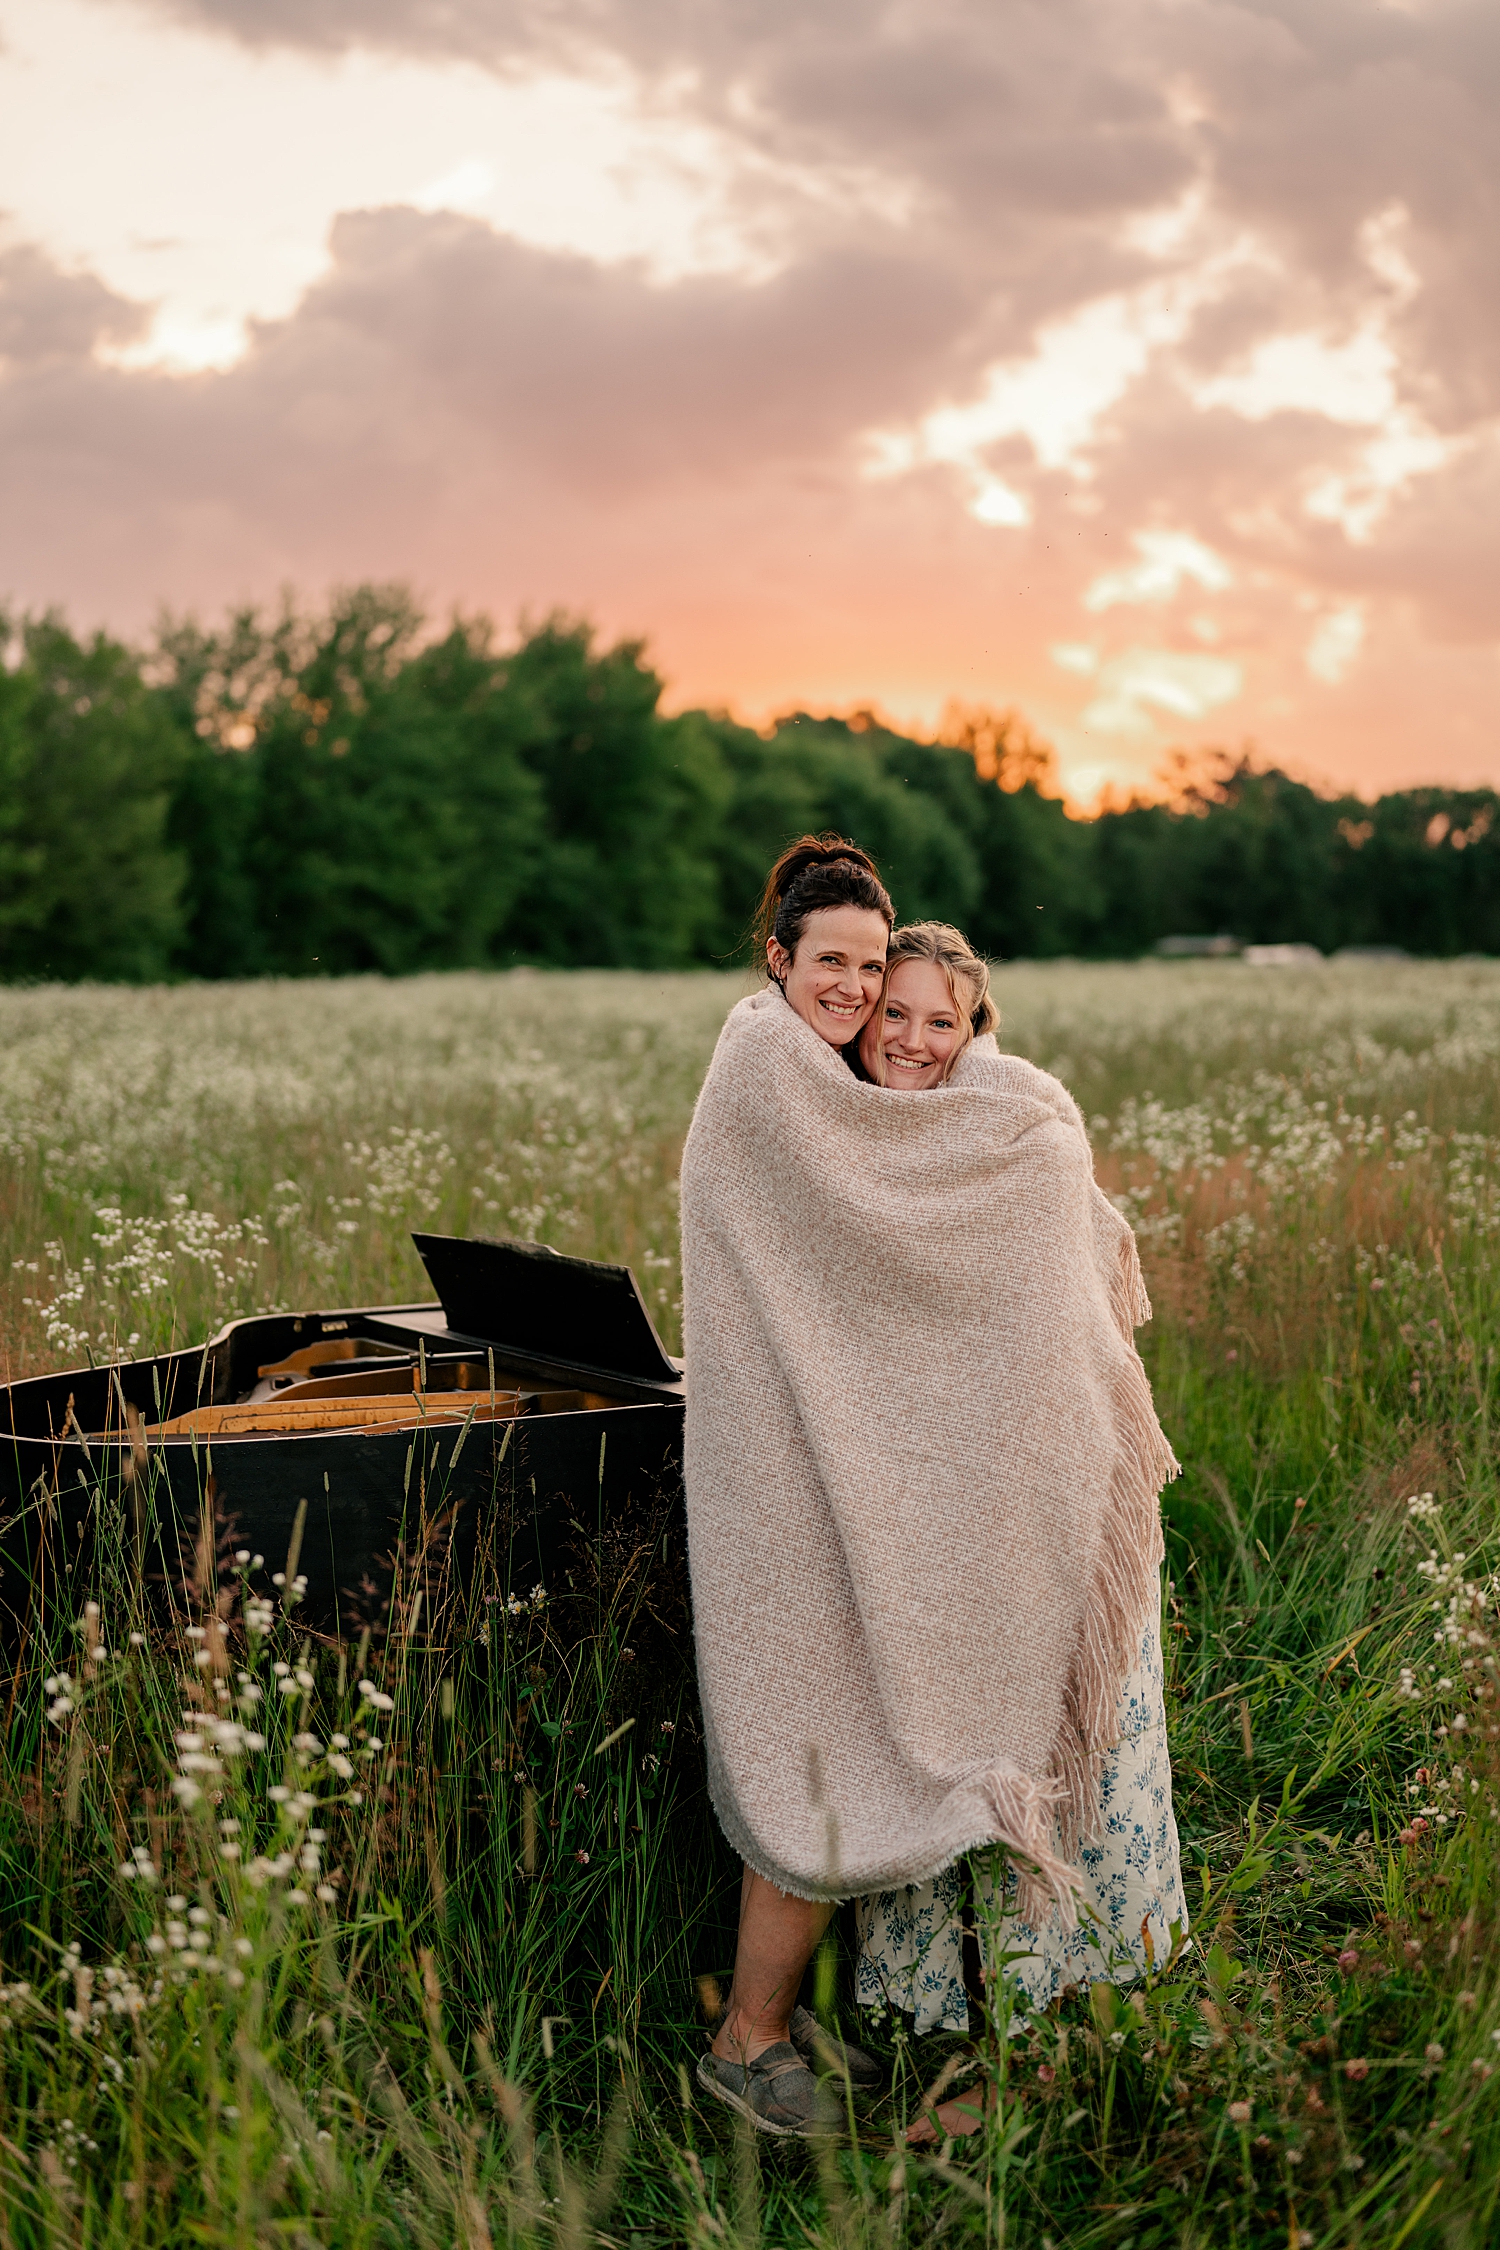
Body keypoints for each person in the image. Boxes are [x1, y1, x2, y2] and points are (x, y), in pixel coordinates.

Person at [682, 863, 1179, 2142]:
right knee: (812, 1739)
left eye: (875, 967)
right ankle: (747, 2041)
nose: (860, 995)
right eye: (834, 965)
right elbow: (817, 1269)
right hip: (787, 1476)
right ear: (777, 959)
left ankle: (847, 2024)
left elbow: (927, 1273)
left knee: (860, 1732)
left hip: (870, 1473)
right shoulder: (766, 1080)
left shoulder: (864, 1090)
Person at [851, 925, 1188, 2141]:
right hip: (924, 1491)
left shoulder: (1016, 1125)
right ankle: (942, 2032)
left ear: (974, 1026)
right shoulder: (844, 1133)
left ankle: (1054, 2037)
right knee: (933, 1739)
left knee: (1034, 1738)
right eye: (894, 1015)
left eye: (940, 1022)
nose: (914, 1042)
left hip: (1044, 1481)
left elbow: (1039, 1327)